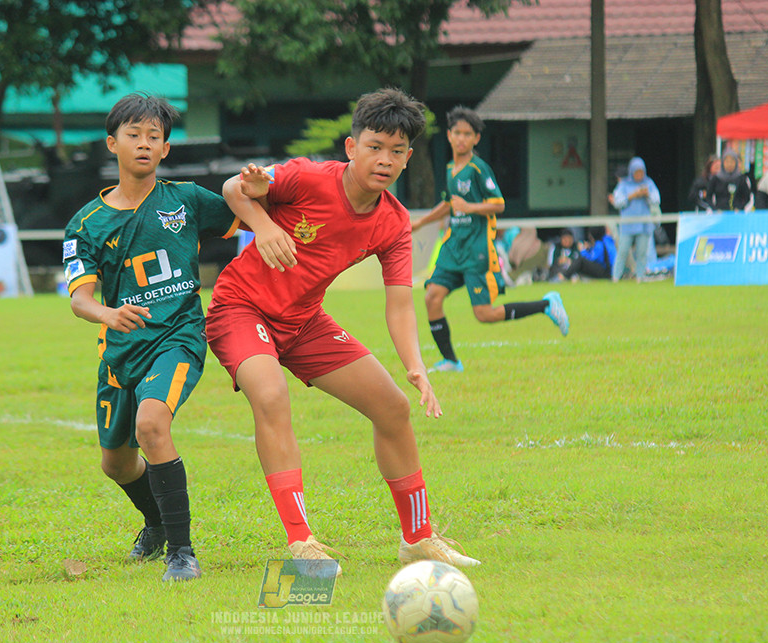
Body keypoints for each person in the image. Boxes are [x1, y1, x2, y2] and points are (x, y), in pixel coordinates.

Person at [207, 88, 479, 574]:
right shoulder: (309, 176)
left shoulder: (393, 222)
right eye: (375, 146)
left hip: (304, 320)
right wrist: (262, 224)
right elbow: (233, 189)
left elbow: (399, 305)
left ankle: (417, 539)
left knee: (393, 407)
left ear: (408, 158)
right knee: (271, 396)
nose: (385, 159)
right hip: (240, 308)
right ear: (351, 147)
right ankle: (302, 542)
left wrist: (417, 368)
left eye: (397, 151)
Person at [62, 94, 240, 582]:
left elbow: (244, 216)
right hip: (120, 351)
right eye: (134, 135)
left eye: (154, 137)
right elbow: (80, 299)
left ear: (165, 149)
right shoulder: (85, 223)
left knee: (152, 425)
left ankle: (181, 553)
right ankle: (157, 523)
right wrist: (108, 313)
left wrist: (260, 194)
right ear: (111, 143)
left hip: (178, 336)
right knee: (116, 464)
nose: (144, 144)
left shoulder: (185, 200)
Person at [412, 106, 568, 372]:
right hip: (454, 247)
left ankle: (546, 304)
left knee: (484, 314)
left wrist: (470, 208)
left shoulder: (478, 168)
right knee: (432, 297)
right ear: (448, 136)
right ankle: (451, 361)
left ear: (476, 139)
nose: (461, 138)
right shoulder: (451, 167)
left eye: (467, 134)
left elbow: (498, 204)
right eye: (457, 133)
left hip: (477, 250)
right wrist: (419, 223)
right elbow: (449, 203)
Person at [611, 156, 660, 282]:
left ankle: (640, 277)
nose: (639, 175)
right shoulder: (624, 184)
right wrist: (633, 195)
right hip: (627, 225)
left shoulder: (648, 183)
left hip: (644, 225)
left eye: (641, 172)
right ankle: (616, 277)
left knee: (642, 253)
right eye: (636, 172)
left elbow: (656, 199)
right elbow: (618, 202)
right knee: (622, 251)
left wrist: (647, 194)